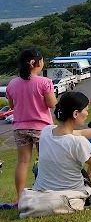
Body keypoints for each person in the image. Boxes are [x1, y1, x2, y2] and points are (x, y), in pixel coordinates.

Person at [5, 48, 58, 203]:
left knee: (22, 161)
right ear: (36, 63)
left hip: (19, 127)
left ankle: (19, 197)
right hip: (41, 127)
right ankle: (46, 191)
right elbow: (51, 103)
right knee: (45, 159)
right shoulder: (44, 82)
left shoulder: (12, 84)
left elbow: (12, 106)